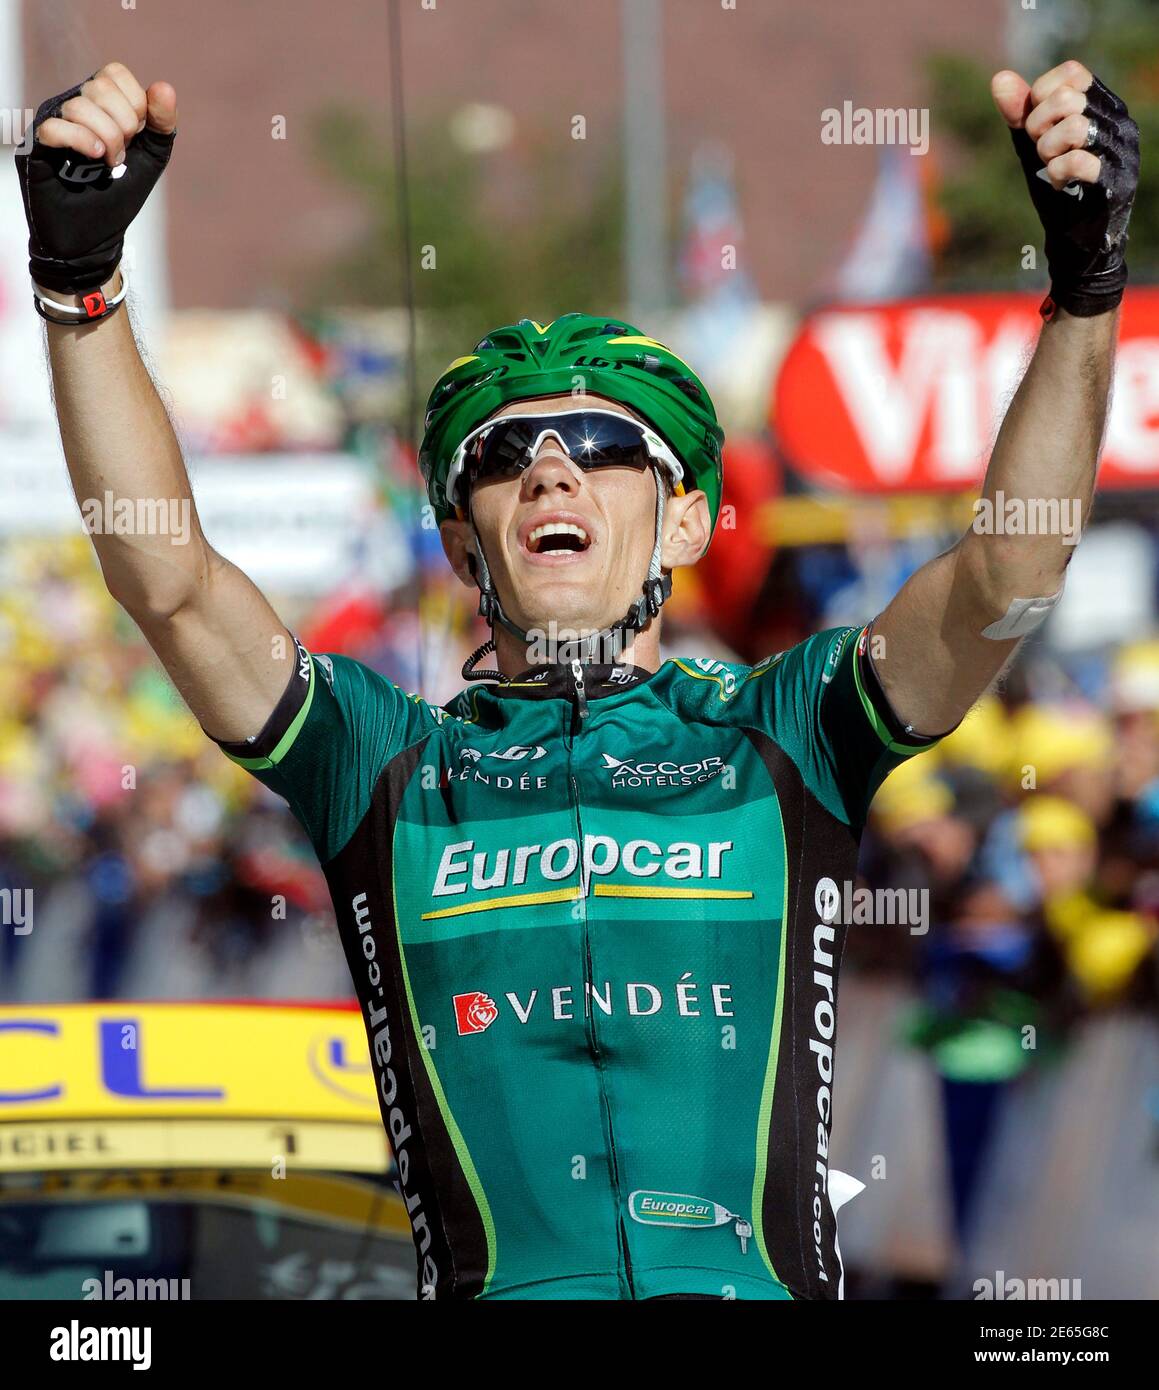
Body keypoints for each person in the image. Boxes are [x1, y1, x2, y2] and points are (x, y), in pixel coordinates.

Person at [14, 57, 1139, 1300]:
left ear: (686, 525)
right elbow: (168, 582)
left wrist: (1085, 291)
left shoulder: (782, 735)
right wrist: (80, 289)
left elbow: (1007, 575)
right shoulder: (386, 766)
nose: (552, 469)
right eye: (503, 455)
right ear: (459, 542)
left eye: (605, 448)